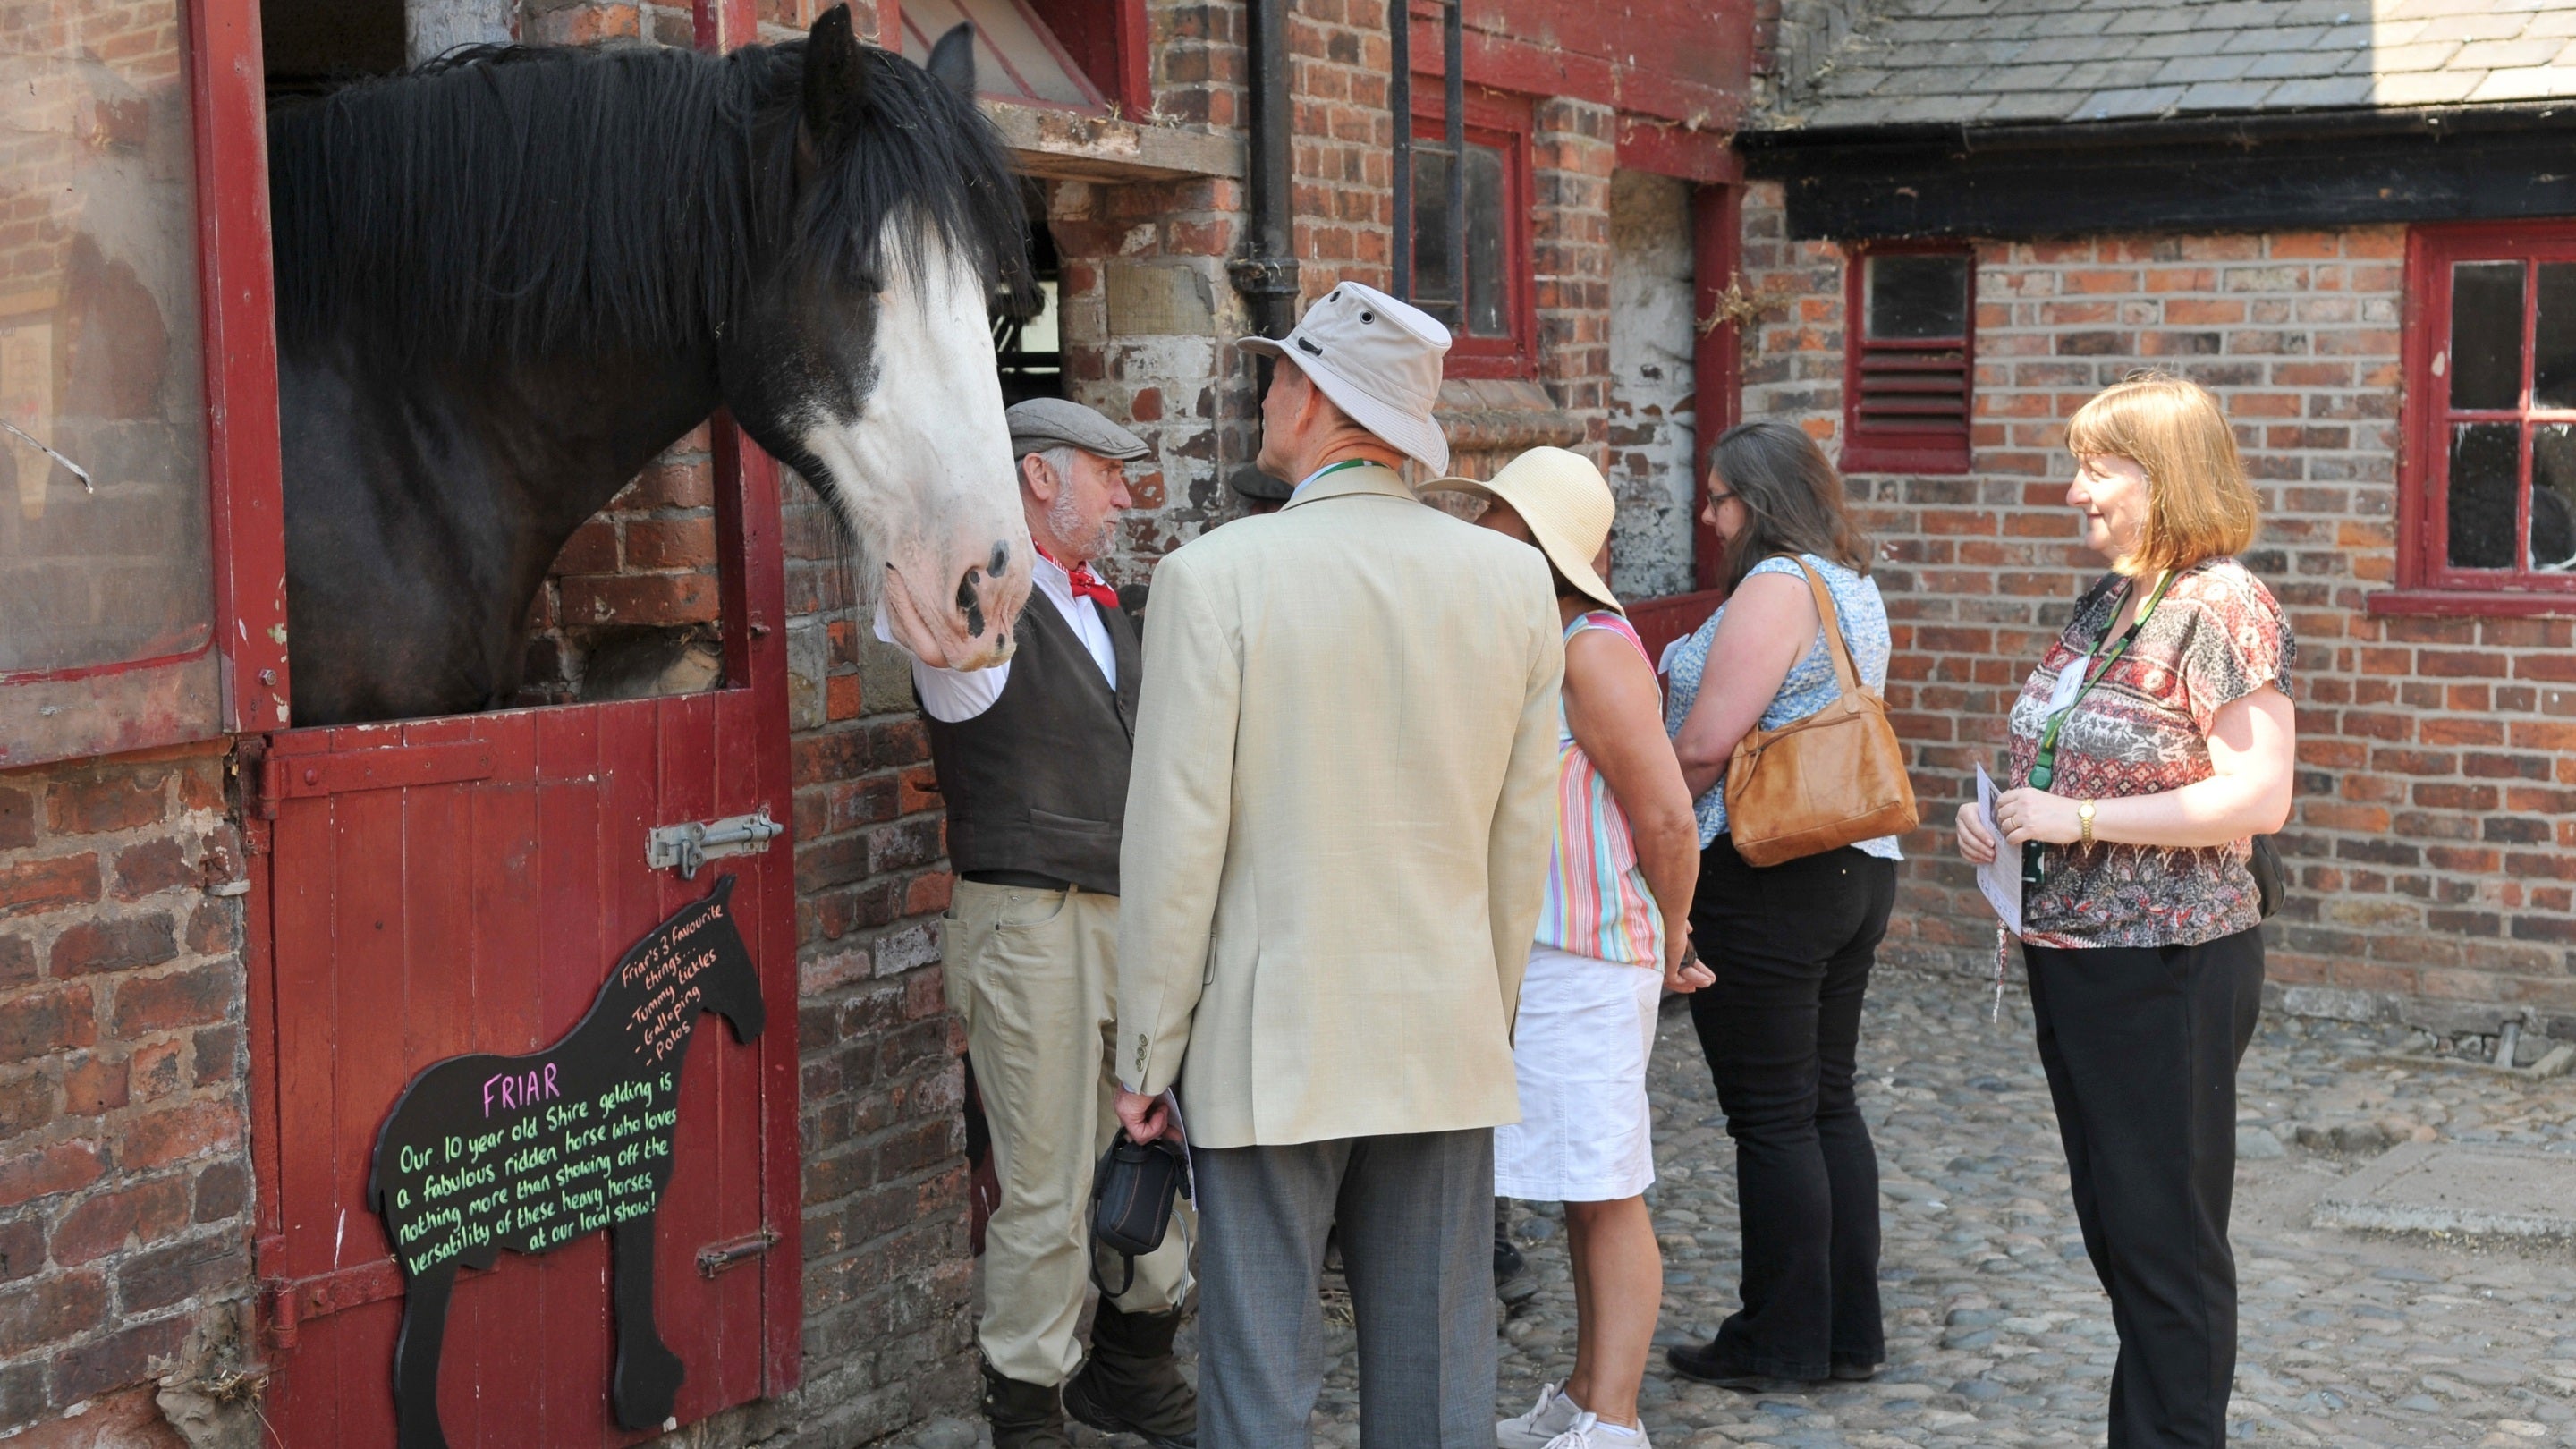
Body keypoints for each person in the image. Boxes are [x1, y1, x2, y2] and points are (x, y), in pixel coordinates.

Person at [1112, 281, 1564, 1449]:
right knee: (1435, 1377)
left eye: (1276, 377)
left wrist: (1146, 1055)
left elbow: (1175, 848)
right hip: (1441, 1026)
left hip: (1273, 1038)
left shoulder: (1216, 577)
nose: (1265, 396)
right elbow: (1522, 848)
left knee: (1259, 1381)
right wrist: (1488, 1014)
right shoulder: (1512, 582)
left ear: (1311, 401)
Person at [1955, 371, 2293, 1449]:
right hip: (2079, 958)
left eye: (2098, 467)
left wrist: (2078, 822)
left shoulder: (2221, 602)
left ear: (2167, 477)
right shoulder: (2110, 602)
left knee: (2166, 1244)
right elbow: (2066, 767)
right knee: (2119, 1231)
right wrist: (2005, 822)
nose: (2074, 490)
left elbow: (2259, 796)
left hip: (2170, 964)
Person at [877, 397, 1193, 1449]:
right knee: (1049, 1178)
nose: (1124, 493)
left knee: (1146, 1151)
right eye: (1107, 471)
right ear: (1039, 478)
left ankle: (1131, 1373)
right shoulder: (972, 599)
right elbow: (957, 682)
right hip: (1031, 916)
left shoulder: (1109, 608)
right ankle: (1026, 1408)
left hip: (1128, 914)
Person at [1433, 448, 1709, 1449]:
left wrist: (1674, 935)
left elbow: (1669, 819)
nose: (1482, 531)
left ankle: (1617, 1418)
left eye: (1502, 519)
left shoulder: (1594, 646)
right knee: (1578, 1192)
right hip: (1534, 955)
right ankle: (1585, 1396)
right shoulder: (1524, 636)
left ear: (1543, 544)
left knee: (1604, 1187)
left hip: (1589, 954)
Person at [1662, 419, 1901, 1389]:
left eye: (1718, 496)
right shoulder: (1850, 581)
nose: (1709, 515)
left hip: (1767, 865)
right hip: (1851, 859)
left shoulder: (1776, 584)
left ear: (1755, 501)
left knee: (1771, 1117)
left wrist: (1645, 832)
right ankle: (1845, 1332)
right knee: (1823, 1102)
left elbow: (1706, 745)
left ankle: (1782, 1338)